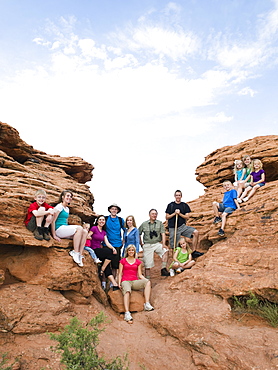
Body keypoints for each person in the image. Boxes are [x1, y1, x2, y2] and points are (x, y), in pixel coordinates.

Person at [118, 244, 154, 323]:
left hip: (134, 281)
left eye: (132, 250)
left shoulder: (138, 262)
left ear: (134, 252)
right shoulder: (123, 261)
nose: (131, 252)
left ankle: (147, 304)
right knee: (127, 291)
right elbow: (120, 273)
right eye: (129, 250)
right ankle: (127, 313)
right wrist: (119, 282)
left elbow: (140, 274)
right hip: (125, 281)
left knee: (147, 282)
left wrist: (146, 281)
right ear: (127, 251)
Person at [51, 190, 88, 267]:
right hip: (58, 229)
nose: (69, 198)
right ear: (63, 197)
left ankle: (80, 254)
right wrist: (54, 235)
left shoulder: (67, 209)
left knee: (84, 232)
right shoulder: (59, 207)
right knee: (79, 228)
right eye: (67, 196)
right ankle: (75, 252)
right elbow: (53, 221)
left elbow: (66, 222)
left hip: (64, 229)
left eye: (71, 196)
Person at [87, 215, 120, 291]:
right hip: (93, 250)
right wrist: (89, 237)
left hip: (99, 250)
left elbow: (107, 242)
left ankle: (114, 284)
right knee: (110, 253)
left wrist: (113, 248)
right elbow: (88, 235)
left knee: (108, 264)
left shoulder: (104, 232)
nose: (102, 221)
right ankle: (102, 269)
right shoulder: (94, 228)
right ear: (97, 221)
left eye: (103, 220)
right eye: (100, 220)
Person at [139, 209, 170, 278]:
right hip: (147, 244)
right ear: (149, 215)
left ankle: (163, 269)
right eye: (152, 214)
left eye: (155, 214)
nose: (154, 215)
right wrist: (141, 244)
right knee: (147, 264)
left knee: (166, 251)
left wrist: (164, 244)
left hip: (156, 243)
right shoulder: (144, 224)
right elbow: (138, 233)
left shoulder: (159, 223)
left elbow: (163, 233)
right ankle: (148, 280)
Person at [105, 204, 125, 277]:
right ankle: (104, 281)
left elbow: (126, 230)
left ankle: (113, 282)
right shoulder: (106, 218)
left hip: (117, 244)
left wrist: (123, 240)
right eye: (112, 209)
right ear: (110, 210)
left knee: (115, 265)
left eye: (115, 209)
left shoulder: (120, 220)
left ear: (117, 211)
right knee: (106, 263)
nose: (114, 210)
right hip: (106, 244)